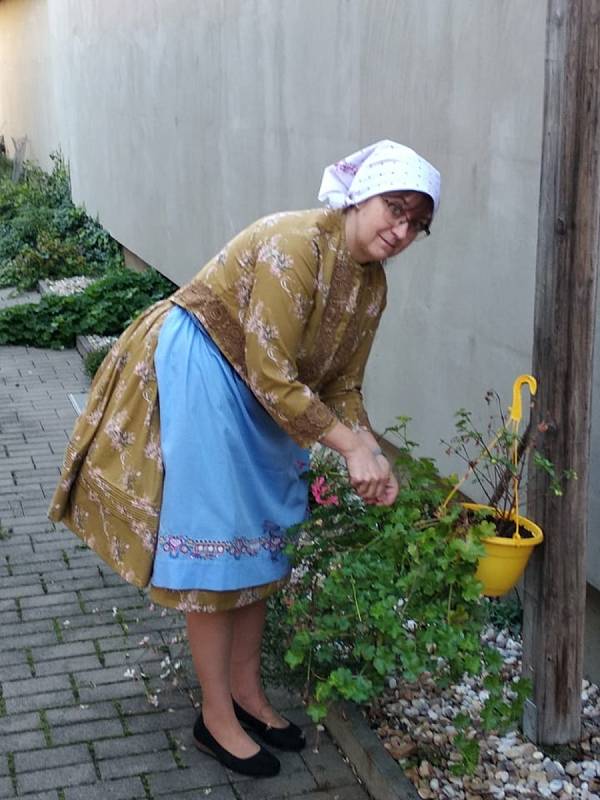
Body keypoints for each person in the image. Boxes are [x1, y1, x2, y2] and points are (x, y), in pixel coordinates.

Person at [48, 139, 441, 778]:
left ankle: (248, 695)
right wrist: (346, 446)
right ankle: (215, 717)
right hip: (206, 365)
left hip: (260, 392)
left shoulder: (371, 288)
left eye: (415, 224)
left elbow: (341, 384)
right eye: (393, 209)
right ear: (359, 195)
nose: (400, 230)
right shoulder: (296, 245)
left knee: (261, 542)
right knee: (216, 547)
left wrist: (369, 452)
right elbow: (272, 371)